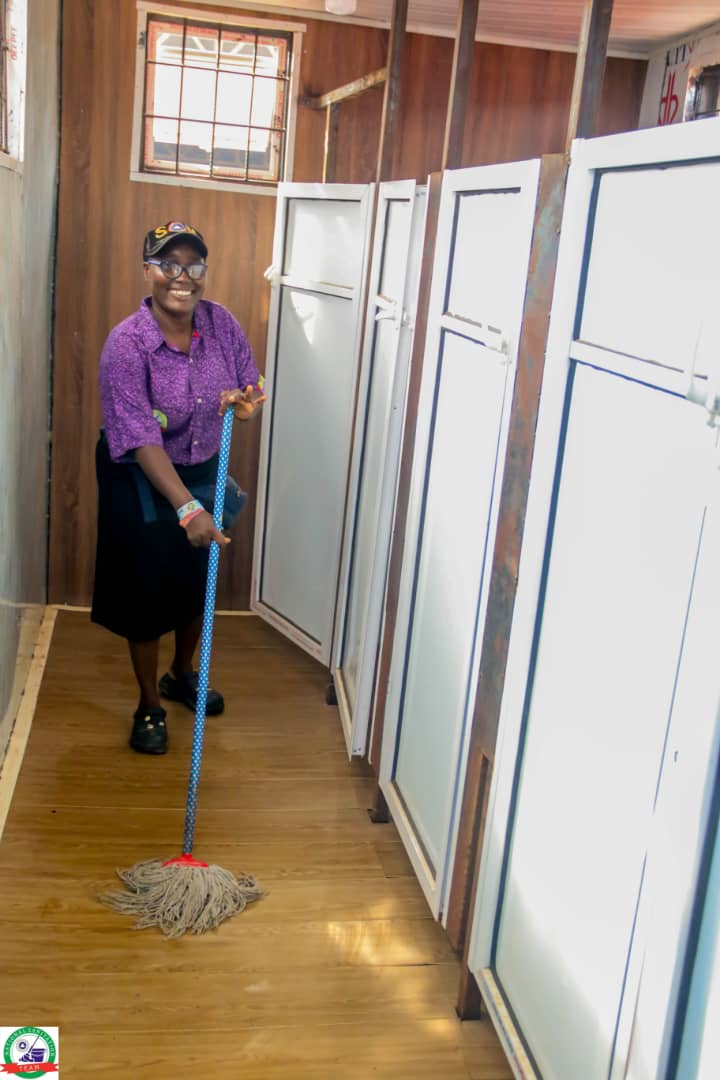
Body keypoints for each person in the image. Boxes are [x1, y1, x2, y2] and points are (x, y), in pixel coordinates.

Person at [91, 221, 265, 755]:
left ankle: (181, 674)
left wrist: (248, 401)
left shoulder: (221, 323)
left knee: (196, 577)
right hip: (139, 472)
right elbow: (141, 437)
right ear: (148, 271)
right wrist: (187, 509)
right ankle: (149, 703)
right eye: (169, 264)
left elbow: (253, 382)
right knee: (146, 588)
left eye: (193, 266)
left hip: (201, 463)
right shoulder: (127, 345)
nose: (182, 277)